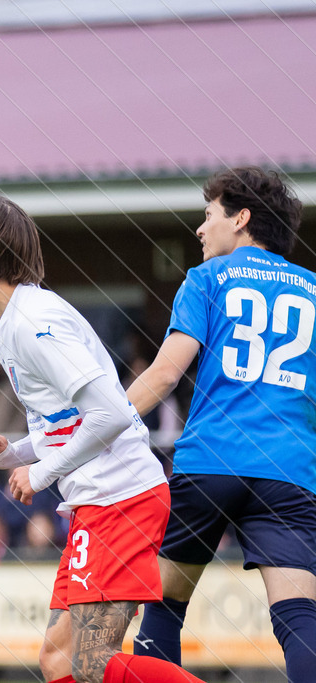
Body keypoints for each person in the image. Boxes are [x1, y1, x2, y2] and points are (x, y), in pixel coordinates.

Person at [0, 192, 203, 683]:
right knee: (59, 665)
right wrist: (13, 453)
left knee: (90, 664)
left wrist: (41, 473)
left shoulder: (33, 321)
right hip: (96, 504)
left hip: (122, 500)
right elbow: (67, 422)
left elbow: (111, 414)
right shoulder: (8, 324)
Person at [126, 167, 316, 682]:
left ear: (243, 219)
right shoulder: (314, 292)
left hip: (212, 460)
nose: (200, 228)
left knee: (164, 603)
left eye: (209, 215)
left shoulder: (207, 279)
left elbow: (166, 371)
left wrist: (100, 428)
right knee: (299, 618)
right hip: (289, 470)